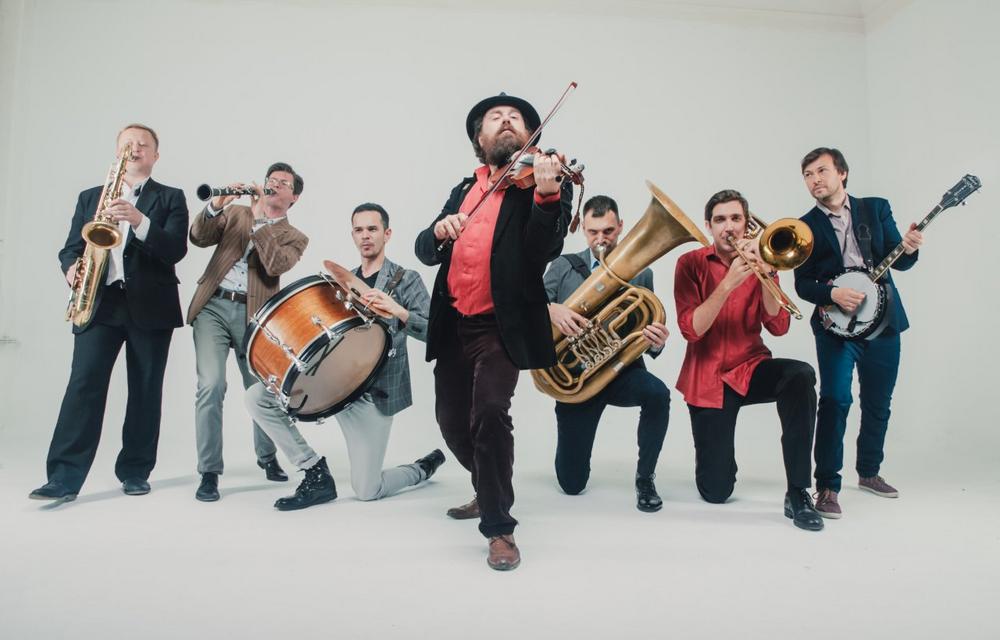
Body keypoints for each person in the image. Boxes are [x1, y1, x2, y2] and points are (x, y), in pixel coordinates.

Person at [414, 91, 572, 571]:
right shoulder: (464, 187)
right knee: (450, 421)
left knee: (488, 412)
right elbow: (424, 250)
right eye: (495, 118)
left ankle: (499, 527)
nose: (506, 121)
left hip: (501, 326)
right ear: (479, 139)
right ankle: (488, 489)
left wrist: (547, 194)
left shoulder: (541, 185)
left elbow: (543, 250)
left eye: (516, 117)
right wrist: (439, 231)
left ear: (531, 136)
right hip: (453, 321)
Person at [243, 202, 444, 509]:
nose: (366, 236)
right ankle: (313, 469)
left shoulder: (407, 279)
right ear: (353, 235)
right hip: (332, 384)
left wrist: (399, 311)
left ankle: (421, 469)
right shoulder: (340, 283)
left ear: (387, 234)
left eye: (373, 229)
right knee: (257, 396)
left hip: (373, 396)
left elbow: (435, 334)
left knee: (367, 489)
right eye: (359, 230)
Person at [30, 123, 188, 502]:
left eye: (143, 145)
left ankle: (135, 471)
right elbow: (70, 248)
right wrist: (72, 269)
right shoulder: (90, 197)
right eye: (128, 144)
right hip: (100, 302)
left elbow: (175, 250)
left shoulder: (171, 197)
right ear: (117, 152)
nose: (135, 149)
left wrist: (139, 220)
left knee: (145, 389)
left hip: (151, 305)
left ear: (155, 155)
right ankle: (63, 479)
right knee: (83, 386)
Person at [674, 189, 823, 531]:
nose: (729, 227)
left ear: (747, 224)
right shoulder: (690, 264)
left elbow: (779, 327)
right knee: (716, 491)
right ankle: (720, 461)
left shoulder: (764, 259)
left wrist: (767, 274)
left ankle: (798, 492)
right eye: (720, 220)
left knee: (800, 376)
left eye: (736, 218)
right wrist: (728, 283)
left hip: (750, 367)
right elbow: (691, 330)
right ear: (709, 225)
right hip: (708, 380)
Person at [794, 147, 923, 519]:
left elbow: (901, 259)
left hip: (884, 323)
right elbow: (802, 283)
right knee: (835, 400)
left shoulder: (875, 209)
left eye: (821, 171)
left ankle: (868, 472)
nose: (814, 180)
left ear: (842, 173)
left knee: (878, 402)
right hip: (835, 327)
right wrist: (832, 294)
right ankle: (827, 486)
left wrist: (910, 248)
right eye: (807, 175)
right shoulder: (804, 227)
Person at [186, 163, 309, 502]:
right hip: (212, 306)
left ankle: (267, 456)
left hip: (255, 318)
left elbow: (275, 265)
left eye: (283, 183)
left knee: (260, 390)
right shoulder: (236, 213)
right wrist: (216, 206)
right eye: (271, 180)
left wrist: (259, 221)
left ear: (294, 197)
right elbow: (198, 237)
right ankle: (209, 472)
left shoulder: (295, 237)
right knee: (211, 385)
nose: (274, 185)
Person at [542, 195, 670, 512]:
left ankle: (645, 478)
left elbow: (648, 325)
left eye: (608, 231)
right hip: (576, 380)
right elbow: (528, 308)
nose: (601, 239)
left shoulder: (642, 273)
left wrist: (656, 341)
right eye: (593, 232)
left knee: (658, 394)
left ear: (621, 227)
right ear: (583, 230)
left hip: (622, 371)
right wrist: (551, 309)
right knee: (571, 484)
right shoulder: (563, 266)